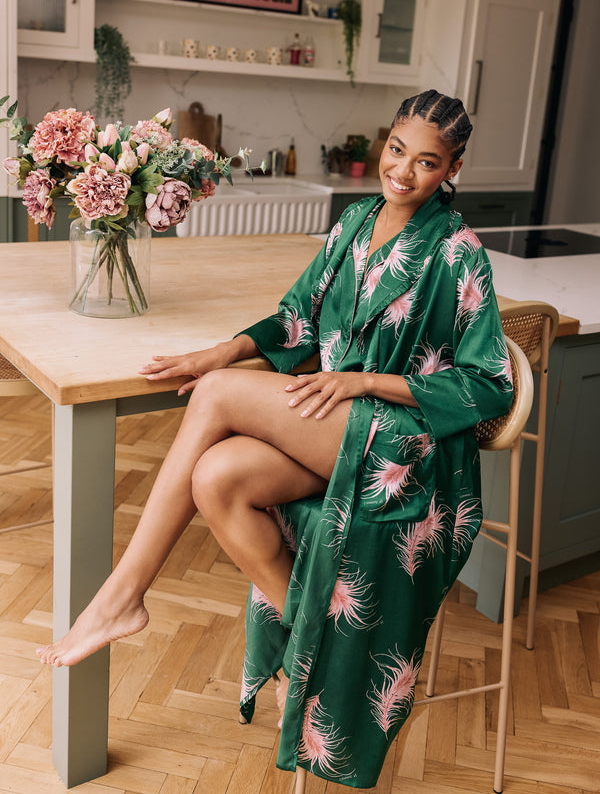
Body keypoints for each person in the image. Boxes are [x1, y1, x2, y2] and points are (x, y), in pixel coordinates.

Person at [37, 90, 513, 788]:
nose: (405, 172)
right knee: (218, 477)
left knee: (222, 393)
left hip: (406, 448)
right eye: (397, 150)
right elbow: (297, 321)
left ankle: (120, 597)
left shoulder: (459, 251)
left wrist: (365, 383)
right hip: (340, 426)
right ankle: (303, 656)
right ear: (384, 143)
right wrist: (215, 352)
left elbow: (489, 384)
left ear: (453, 169)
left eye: (428, 163)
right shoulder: (355, 221)